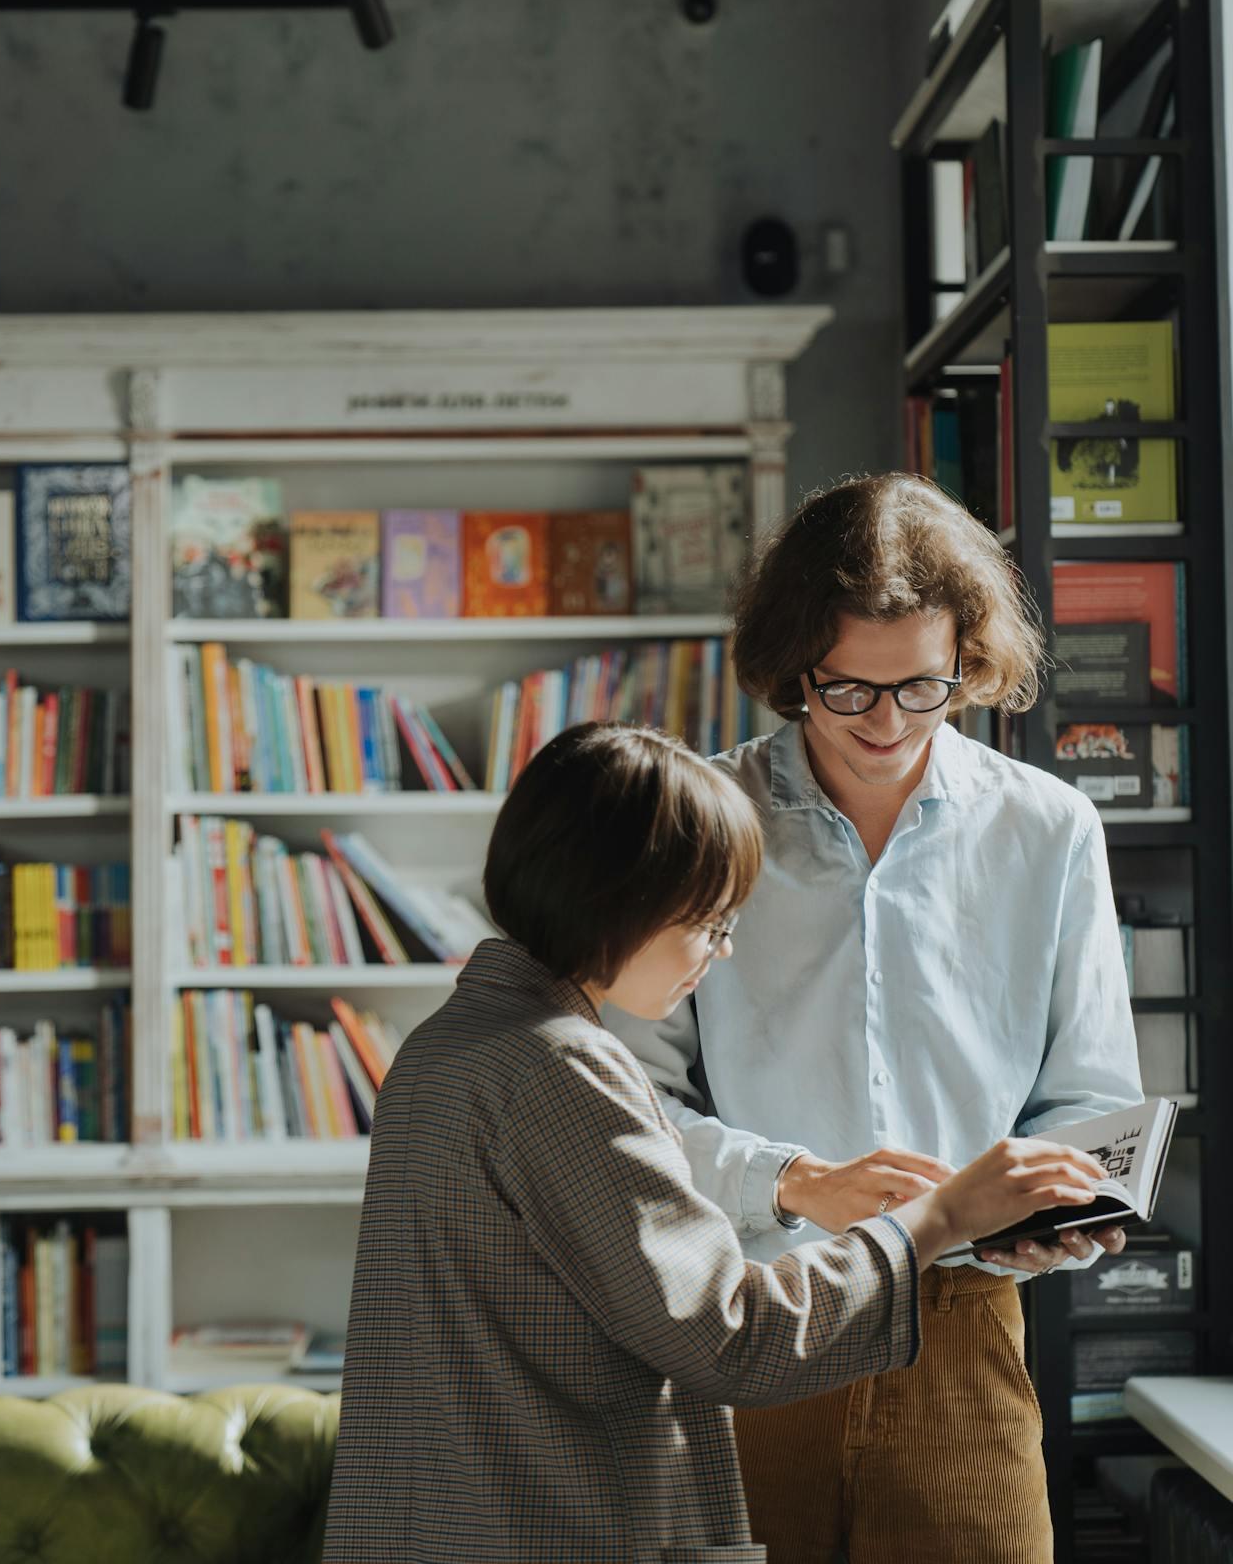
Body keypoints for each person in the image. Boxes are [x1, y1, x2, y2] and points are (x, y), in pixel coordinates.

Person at [321, 721, 1108, 1564]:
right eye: (707, 921)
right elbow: (735, 1337)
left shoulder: (445, 1046)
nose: (722, 952)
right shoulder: (564, 1067)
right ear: (619, 898)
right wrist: (940, 1217)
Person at [607, 473, 1143, 1564]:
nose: (885, 725)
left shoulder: (1046, 829)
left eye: (922, 689)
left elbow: (1088, 1094)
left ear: (967, 665)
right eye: (847, 691)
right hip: (750, 1319)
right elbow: (624, 1107)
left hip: (961, 1327)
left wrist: (1053, 1210)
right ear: (792, 668)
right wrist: (792, 1180)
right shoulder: (701, 825)